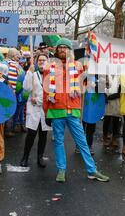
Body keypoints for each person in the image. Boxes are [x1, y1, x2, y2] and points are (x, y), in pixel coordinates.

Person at [43, 38, 109, 183]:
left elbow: (85, 82)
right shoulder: (49, 66)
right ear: (56, 50)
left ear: (69, 50)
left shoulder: (78, 66)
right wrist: (46, 110)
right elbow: (45, 90)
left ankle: (92, 170)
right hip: (56, 109)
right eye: (59, 47)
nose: (62, 50)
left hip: (73, 109)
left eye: (65, 48)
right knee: (59, 142)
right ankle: (61, 170)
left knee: (82, 141)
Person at [19, 54, 51, 168]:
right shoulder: (33, 74)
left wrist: (37, 100)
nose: (42, 61)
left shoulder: (51, 76)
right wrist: (29, 72)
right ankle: (25, 157)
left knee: (43, 135)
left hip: (45, 109)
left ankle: (40, 157)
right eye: (40, 60)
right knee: (31, 134)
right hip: (33, 110)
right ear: (36, 62)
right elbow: (27, 88)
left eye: (44, 60)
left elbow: (52, 94)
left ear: (48, 62)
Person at [102, 75, 122, 151]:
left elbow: (120, 92)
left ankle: (114, 139)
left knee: (116, 121)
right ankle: (105, 137)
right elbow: (102, 86)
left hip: (116, 101)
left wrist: (109, 97)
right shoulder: (106, 74)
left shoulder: (120, 76)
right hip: (107, 102)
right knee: (107, 119)